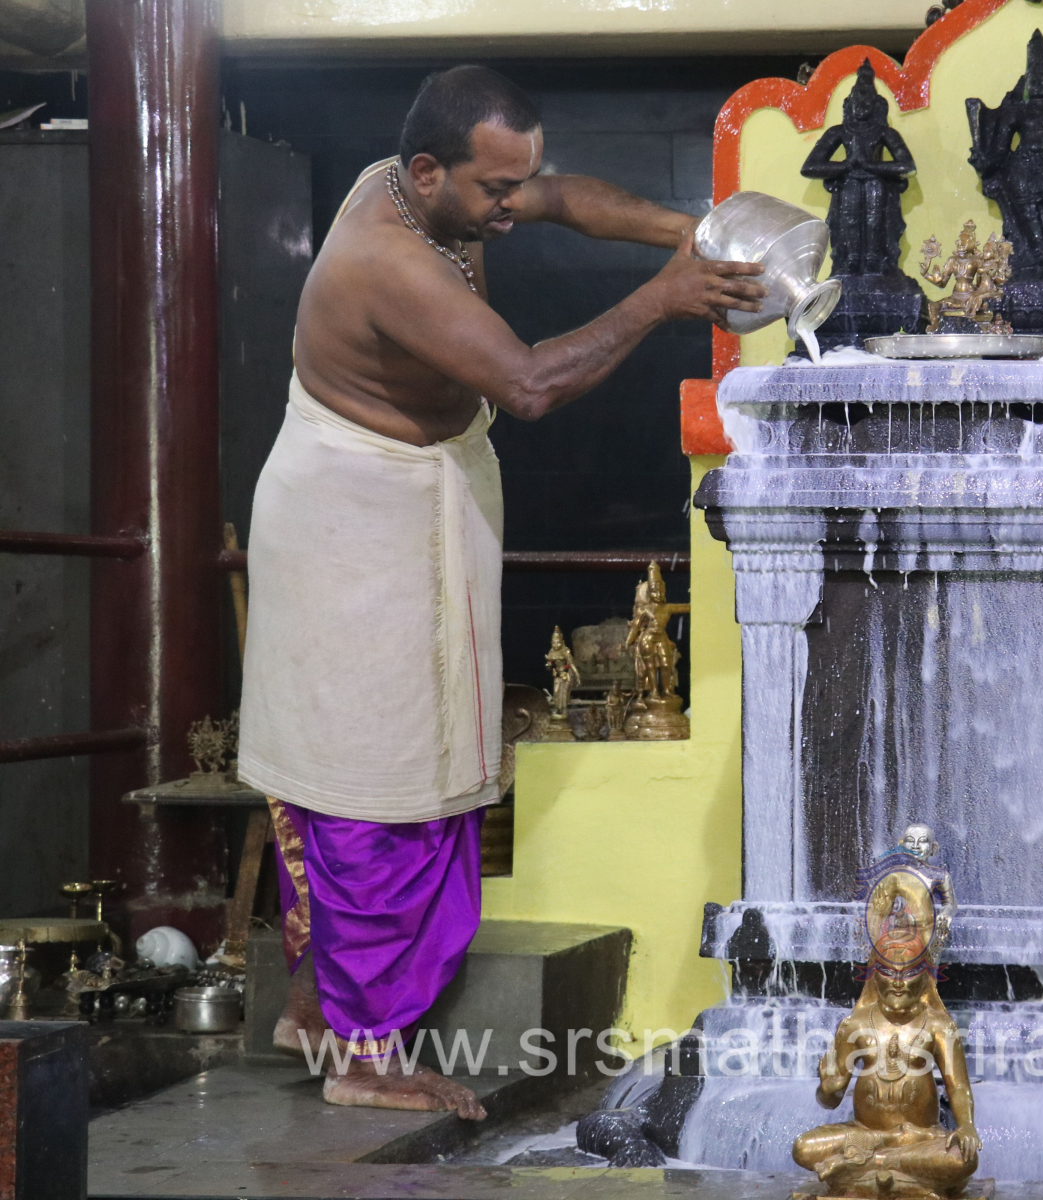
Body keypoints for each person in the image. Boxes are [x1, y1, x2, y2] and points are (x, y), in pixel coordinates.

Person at [237, 65, 766, 1117]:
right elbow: (527, 384)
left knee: (432, 769)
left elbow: (561, 197)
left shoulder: (441, 190)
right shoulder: (386, 254)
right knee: (372, 787)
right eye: (494, 189)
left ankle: (316, 1008)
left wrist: (689, 234)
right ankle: (363, 1058)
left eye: (515, 180)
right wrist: (664, 298)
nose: (511, 207)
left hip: (419, 513)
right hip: (352, 529)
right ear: (427, 171)